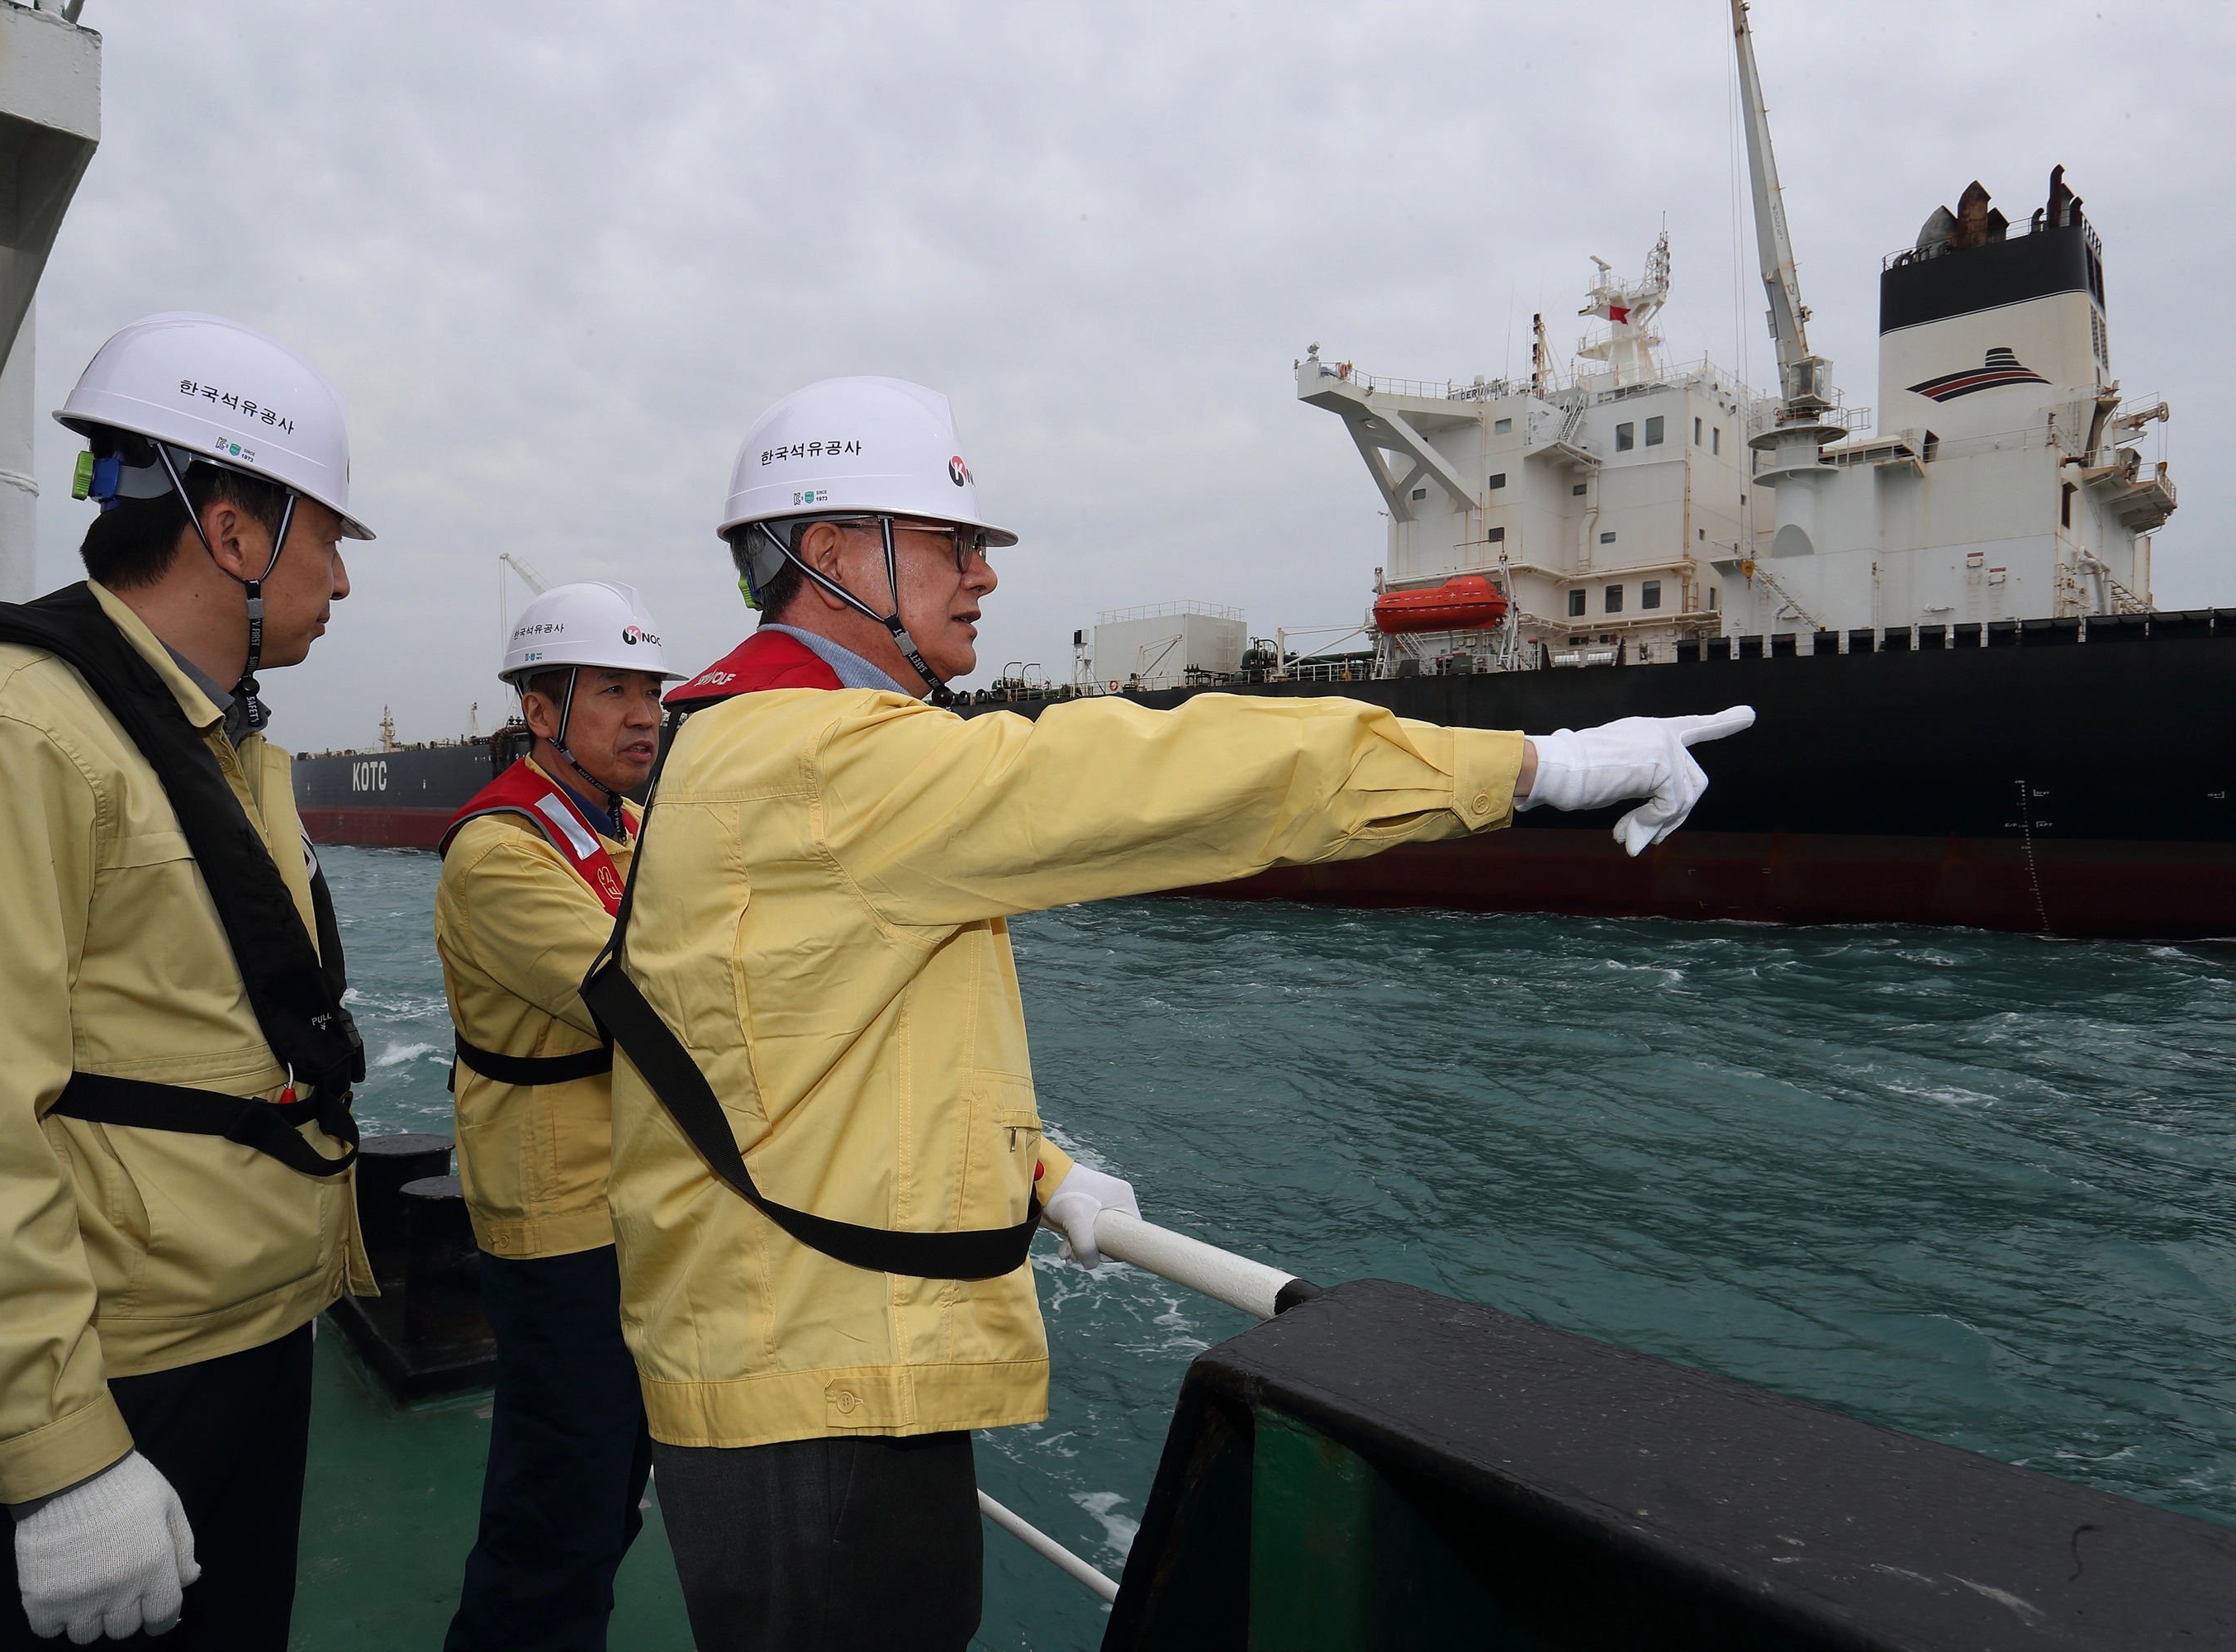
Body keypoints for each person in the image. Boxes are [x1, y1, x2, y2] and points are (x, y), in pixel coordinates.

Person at [586, 375, 1754, 1650]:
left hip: (787, 1345)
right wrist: (1537, 766)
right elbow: (1156, 775)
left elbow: (805, 1041)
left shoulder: (733, 742)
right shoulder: (823, 758)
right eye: (951, 543)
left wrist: (1040, 1173)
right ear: (829, 553)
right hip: (815, 1381)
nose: (983, 577)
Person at [0, 312, 376, 1649]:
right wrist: (58, 1453)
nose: (345, 584)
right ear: (233, 532)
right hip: (118, 1380)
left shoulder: (211, 748)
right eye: (330, 538)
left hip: (246, 1340)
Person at [434, 582, 680, 1651]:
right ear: (540, 712)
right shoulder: (499, 851)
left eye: (653, 691)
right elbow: (637, 995)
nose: (645, 715)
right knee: (558, 1521)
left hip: (629, 1207)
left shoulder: (623, 823)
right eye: (614, 690)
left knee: (606, 1497)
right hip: (559, 1227)